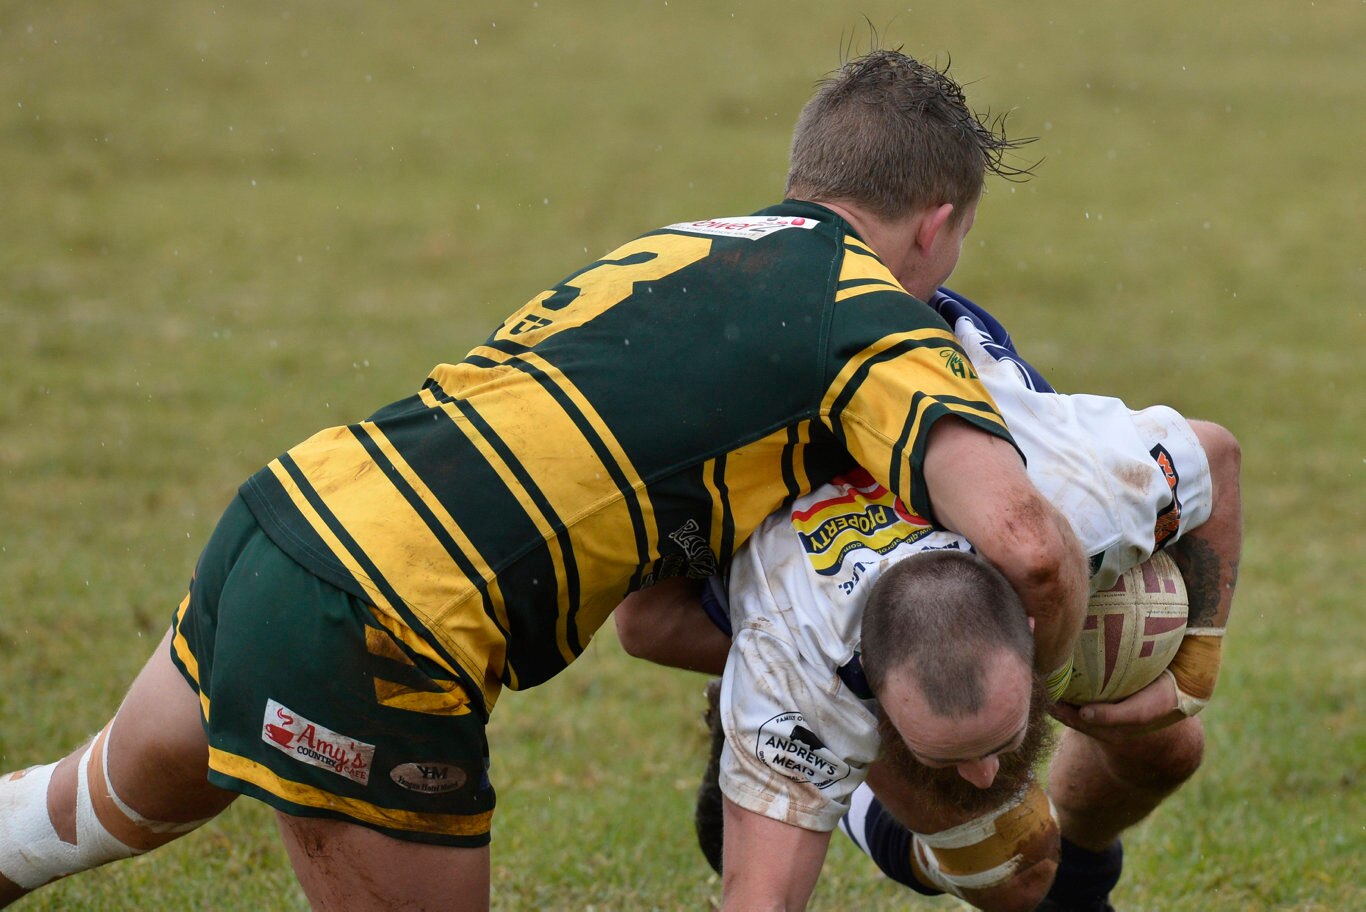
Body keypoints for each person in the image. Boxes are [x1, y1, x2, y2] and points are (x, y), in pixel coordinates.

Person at [0, 49, 1091, 910]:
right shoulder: (876, 322)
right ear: (939, 225)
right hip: (384, 625)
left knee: (87, 811)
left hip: (290, 514)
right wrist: (1028, 676)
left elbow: (647, 621)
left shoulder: (675, 250)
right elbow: (1028, 545)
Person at [615, 308, 1242, 911]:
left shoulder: (1075, 511)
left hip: (967, 519)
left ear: (1031, 623)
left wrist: (1197, 663)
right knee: (1014, 874)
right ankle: (850, 774)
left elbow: (1214, 454)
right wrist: (808, 739)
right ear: (868, 692)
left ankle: (1071, 894)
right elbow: (645, 626)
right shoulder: (802, 654)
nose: (982, 772)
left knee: (1168, 750)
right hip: (826, 599)